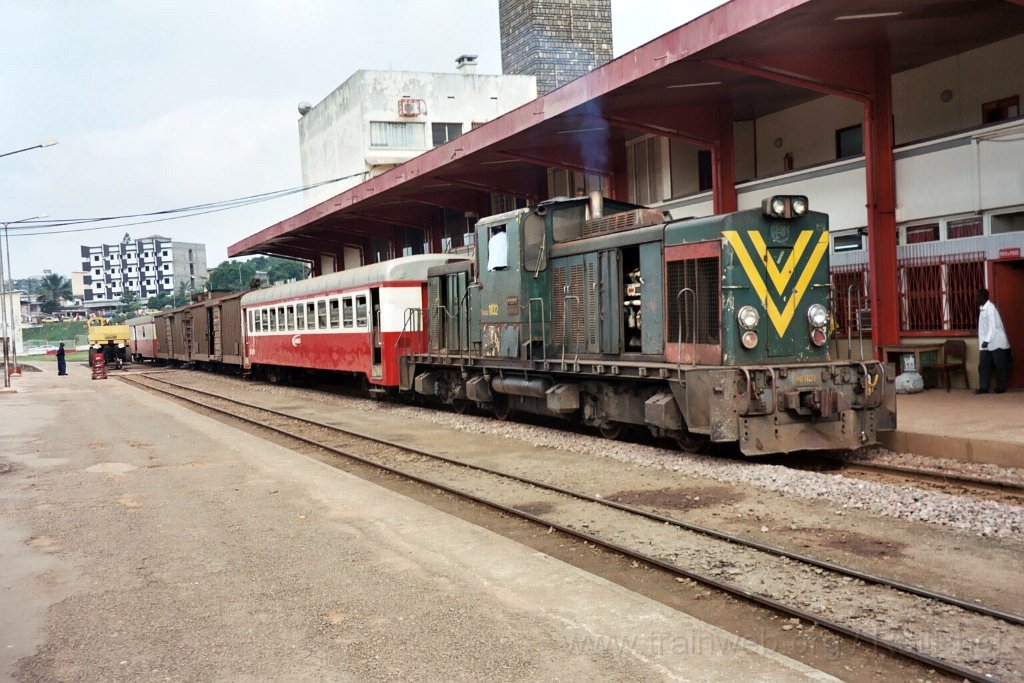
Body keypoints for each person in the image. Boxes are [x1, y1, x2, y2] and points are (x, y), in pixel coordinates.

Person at [975, 288, 1010, 394]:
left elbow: (992, 327)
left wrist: (987, 340)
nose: (976, 298)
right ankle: (983, 387)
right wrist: (984, 342)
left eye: (977, 296)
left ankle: (1002, 387)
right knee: (983, 365)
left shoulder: (990, 309)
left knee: (1000, 366)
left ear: (983, 297)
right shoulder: (982, 309)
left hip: (996, 342)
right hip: (986, 343)